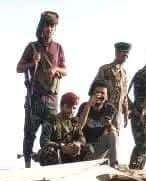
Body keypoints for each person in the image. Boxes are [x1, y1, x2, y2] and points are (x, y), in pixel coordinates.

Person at [17, 11, 67, 168]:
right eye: (47, 26)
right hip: (35, 98)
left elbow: (65, 70)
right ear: (41, 28)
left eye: (52, 26)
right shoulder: (32, 47)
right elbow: (19, 68)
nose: (49, 29)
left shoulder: (58, 48)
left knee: (49, 136)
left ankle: (47, 165)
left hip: (52, 99)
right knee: (29, 134)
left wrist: (56, 69)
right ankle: (27, 165)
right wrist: (33, 63)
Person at [93, 42, 131, 146]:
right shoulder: (105, 70)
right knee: (101, 138)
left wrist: (126, 112)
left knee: (114, 138)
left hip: (117, 112)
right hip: (104, 110)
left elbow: (124, 94)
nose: (126, 56)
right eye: (123, 53)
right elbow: (94, 89)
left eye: (127, 54)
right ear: (117, 53)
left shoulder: (124, 73)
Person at [38, 92, 90, 166]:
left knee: (88, 148)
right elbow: (44, 141)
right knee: (48, 151)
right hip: (57, 154)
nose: (71, 111)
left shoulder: (74, 122)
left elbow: (82, 138)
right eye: (68, 107)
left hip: (71, 154)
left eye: (74, 108)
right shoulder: (51, 121)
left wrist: (77, 143)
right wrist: (62, 147)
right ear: (61, 106)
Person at [77, 81, 118, 165]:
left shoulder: (109, 108)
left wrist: (109, 124)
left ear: (107, 96)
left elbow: (111, 130)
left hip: (98, 149)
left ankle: (114, 163)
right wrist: (89, 105)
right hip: (84, 149)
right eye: (97, 92)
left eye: (103, 93)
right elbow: (78, 127)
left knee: (113, 133)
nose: (99, 95)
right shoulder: (84, 106)